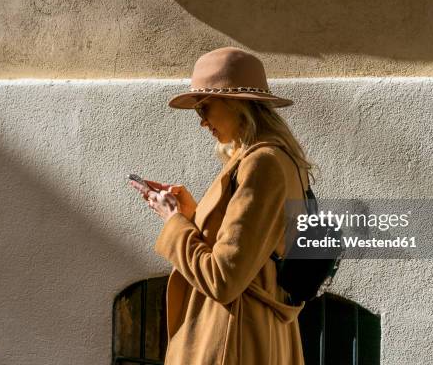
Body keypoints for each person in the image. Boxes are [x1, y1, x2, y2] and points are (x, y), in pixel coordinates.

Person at [130, 46, 317, 365]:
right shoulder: (274, 160)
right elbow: (249, 248)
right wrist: (194, 214)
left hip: (234, 337)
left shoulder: (262, 164)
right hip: (255, 330)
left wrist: (173, 220)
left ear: (236, 103)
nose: (202, 122)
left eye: (204, 108)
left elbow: (223, 278)